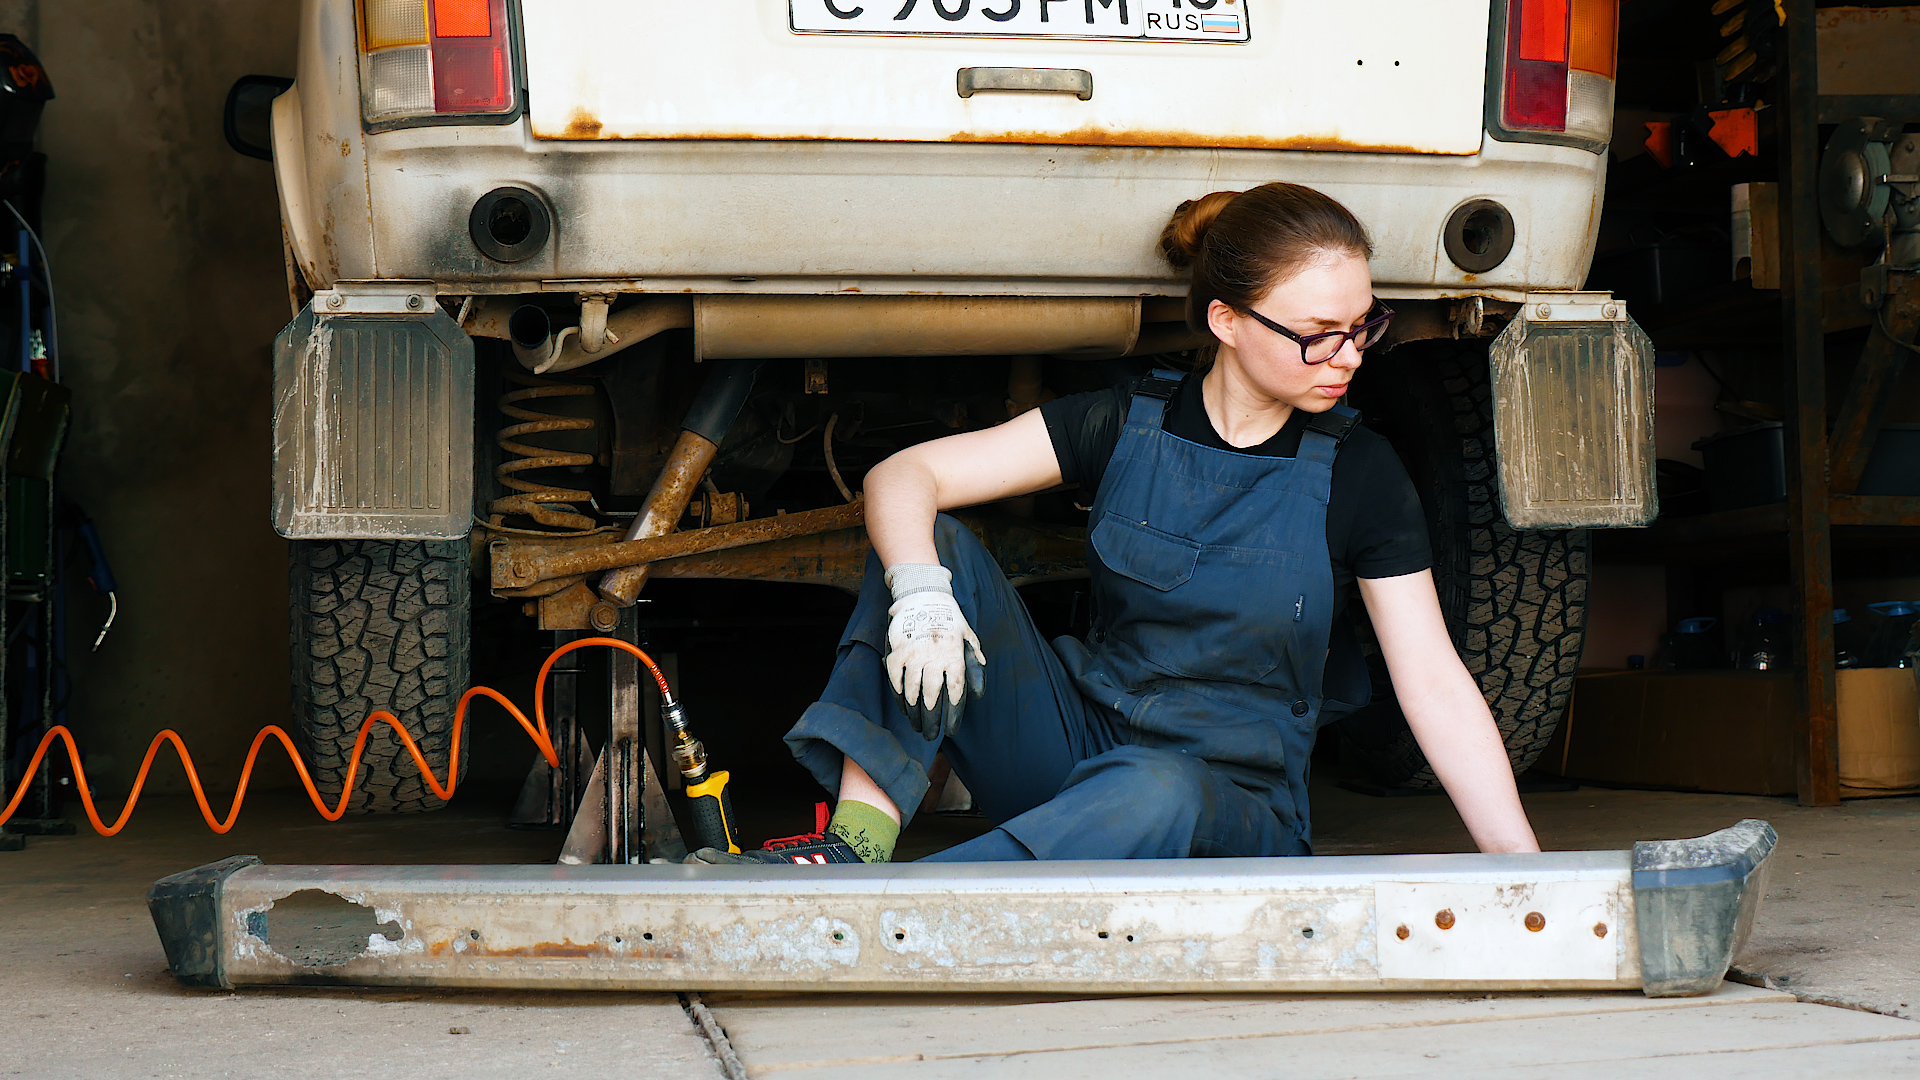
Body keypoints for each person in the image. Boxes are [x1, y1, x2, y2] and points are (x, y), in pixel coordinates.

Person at [692, 182, 1540, 866]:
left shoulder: (1360, 473)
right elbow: (904, 475)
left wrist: (1525, 872)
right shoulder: (1123, 423)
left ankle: (887, 915)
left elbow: (1431, 681)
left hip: (1229, 804)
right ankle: (853, 854)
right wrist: (919, 593)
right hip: (1079, 757)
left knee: (1156, 787)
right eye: (1320, 334)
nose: (1350, 356)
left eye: (1362, 328)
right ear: (1227, 323)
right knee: (933, 544)